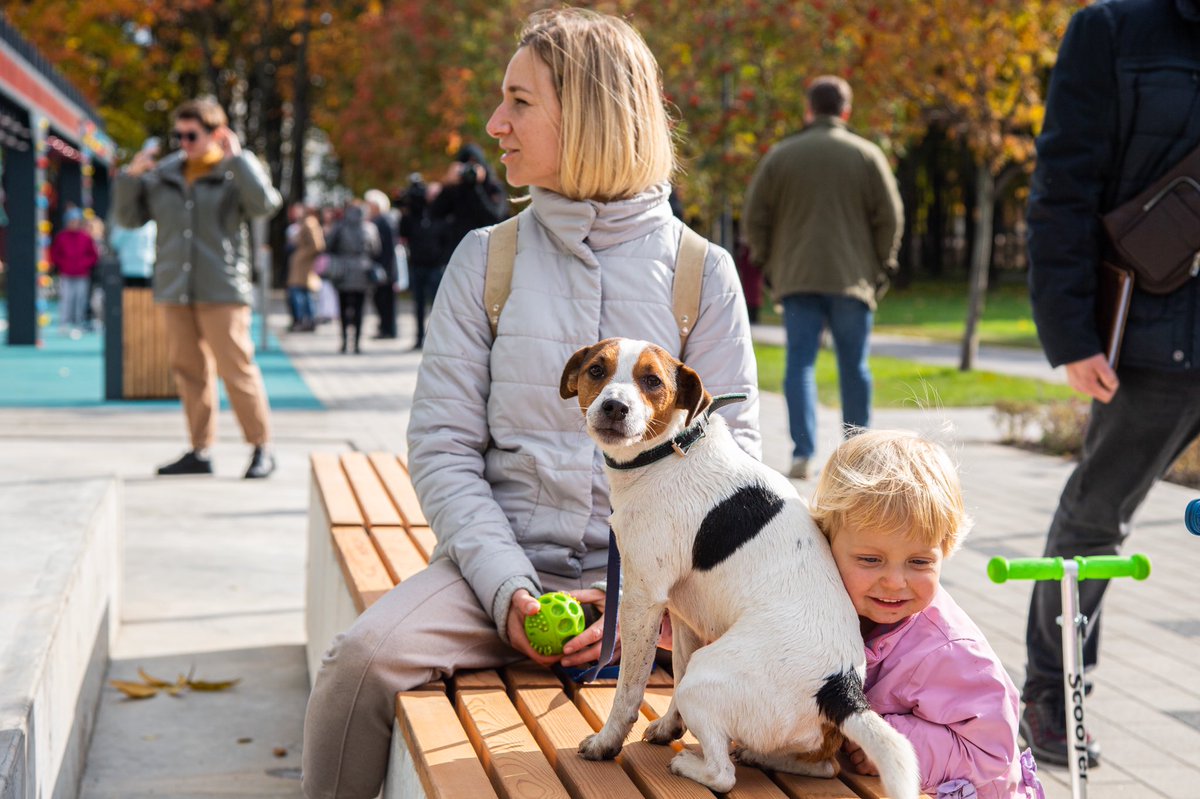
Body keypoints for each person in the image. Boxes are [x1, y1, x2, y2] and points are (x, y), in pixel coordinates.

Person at [300, 9, 760, 798]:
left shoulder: (701, 273)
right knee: (358, 665)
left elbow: (733, 466)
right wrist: (511, 589)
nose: (494, 123)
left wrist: (623, 606)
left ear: (585, 114)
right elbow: (442, 446)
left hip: (662, 590)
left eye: (518, 101)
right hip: (500, 572)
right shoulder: (486, 261)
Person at [1022, 0, 1200, 767]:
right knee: (1096, 525)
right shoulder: (1114, 30)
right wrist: (1071, 330)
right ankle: (1053, 697)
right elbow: (1063, 184)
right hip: (1160, 343)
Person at [811, 430, 1044, 799]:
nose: (894, 582)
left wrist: (898, 743)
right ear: (825, 541)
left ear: (946, 549)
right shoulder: (823, 603)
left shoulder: (951, 652)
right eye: (870, 560)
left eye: (919, 562)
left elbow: (995, 760)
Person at [742, 75, 903, 481]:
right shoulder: (867, 155)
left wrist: (769, 264)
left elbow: (754, 218)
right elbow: (891, 216)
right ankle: (858, 454)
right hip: (853, 279)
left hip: (797, 278)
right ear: (846, 111)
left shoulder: (781, 156)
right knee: (856, 368)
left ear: (808, 110)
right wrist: (881, 267)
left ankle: (803, 452)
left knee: (800, 365)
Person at [113, 96, 282, 479]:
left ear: (214, 133)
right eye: (179, 135)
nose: (184, 143)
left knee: (237, 370)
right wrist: (131, 177)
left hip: (221, 288)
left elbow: (266, 206)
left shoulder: (234, 171)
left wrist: (238, 159)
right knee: (189, 372)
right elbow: (128, 218)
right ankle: (199, 450)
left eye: (192, 135)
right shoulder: (164, 174)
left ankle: (260, 448)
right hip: (176, 289)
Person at [430, 142, 508, 261]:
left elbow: (495, 216)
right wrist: (448, 184)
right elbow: (434, 214)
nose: (470, 170)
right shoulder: (455, 188)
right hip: (458, 252)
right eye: (466, 165)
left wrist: (477, 187)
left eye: (474, 164)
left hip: (488, 252)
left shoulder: (493, 187)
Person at [397, 174, 447, 350]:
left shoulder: (440, 214)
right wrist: (406, 205)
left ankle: (435, 339)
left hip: (435, 266)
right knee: (417, 304)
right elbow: (403, 231)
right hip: (417, 265)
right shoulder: (413, 215)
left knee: (436, 305)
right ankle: (419, 337)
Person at [326, 202, 380, 354]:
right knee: (360, 308)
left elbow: (329, 245)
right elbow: (376, 250)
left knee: (343, 308)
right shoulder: (369, 228)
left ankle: (344, 341)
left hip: (343, 271)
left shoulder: (340, 226)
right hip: (363, 270)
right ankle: (356, 343)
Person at [50, 206, 99, 335]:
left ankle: (79, 323)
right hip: (66, 274)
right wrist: (63, 265)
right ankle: (64, 323)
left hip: (82, 275)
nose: (73, 223)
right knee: (66, 299)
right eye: (71, 221)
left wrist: (84, 265)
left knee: (80, 299)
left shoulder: (86, 237)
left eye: (76, 221)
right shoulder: (61, 237)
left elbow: (93, 255)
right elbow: (55, 254)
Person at [364, 188, 399, 339]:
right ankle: (385, 328)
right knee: (381, 300)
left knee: (386, 301)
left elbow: (389, 248)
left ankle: (388, 329)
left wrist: (384, 267)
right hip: (383, 267)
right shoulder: (378, 220)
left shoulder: (384, 221)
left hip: (386, 268)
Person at [286, 204, 324, 332]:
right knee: (303, 292)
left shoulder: (309, 223)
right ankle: (307, 320)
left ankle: (305, 320)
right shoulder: (308, 223)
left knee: (299, 292)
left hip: (303, 265)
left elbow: (317, 245)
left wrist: (302, 255)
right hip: (301, 264)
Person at [108, 217, 157, 288]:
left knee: (130, 296)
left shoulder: (123, 224)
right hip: (144, 267)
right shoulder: (151, 225)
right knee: (143, 295)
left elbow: (115, 243)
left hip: (130, 267)